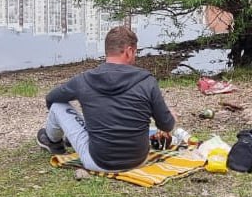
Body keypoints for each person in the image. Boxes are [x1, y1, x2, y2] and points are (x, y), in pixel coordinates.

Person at [37, 24, 177, 172]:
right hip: (138, 160)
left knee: (58, 106)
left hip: (97, 162)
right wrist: (170, 116)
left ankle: (54, 143)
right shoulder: (147, 81)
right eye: (135, 53)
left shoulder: (84, 80)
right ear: (129, 52)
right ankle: (67, 140)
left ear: (107, 51)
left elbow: (51, 99)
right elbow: (166, 126)